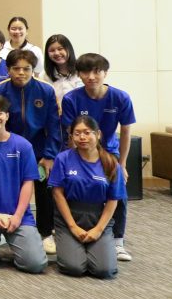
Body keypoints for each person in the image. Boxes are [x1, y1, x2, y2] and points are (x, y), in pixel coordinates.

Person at [60, 53, 136, 262]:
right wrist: (72, 160)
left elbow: (126, 132)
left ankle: (118, 241)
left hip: (109, 153)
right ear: (79, 74)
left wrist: (122, 164)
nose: (91, 77)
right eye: (85, 72)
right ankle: (71, 233)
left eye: (97, 71)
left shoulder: (120, 97)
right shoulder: (71, 98)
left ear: (105, 73)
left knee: (118, 193)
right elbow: (71, 134)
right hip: (80, 150)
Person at [0, 95, 48, 274]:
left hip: (18, 215)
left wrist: (18, 216)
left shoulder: (23, 145)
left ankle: (14, 242)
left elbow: (28, 183)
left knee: (36, 264)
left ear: (7, 116)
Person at [0, 49, 61, 254]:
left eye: (26, 69)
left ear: (33, 70)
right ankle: (4, 228)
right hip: (9, 148)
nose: (21, 73)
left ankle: (46, 233)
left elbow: (54, 126)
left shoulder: (45, 90)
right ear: (8, 70)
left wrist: (49, 156)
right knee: (7, 188)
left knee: (44, 191)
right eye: (16, 69)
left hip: (39, 150)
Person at [50, 116, 125, 278]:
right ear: (71, 137)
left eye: (87, 132)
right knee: (74, 267)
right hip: (69, 217)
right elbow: (57, 193)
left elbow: (113, 199)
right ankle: (70, 245)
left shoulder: (111, 163)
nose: (82, 137)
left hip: (98, 217)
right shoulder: (63, 159)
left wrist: (98, 229)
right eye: (77, 133)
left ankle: (96, 248)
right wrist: (72, 226)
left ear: (98, 134)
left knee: (104, 270)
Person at [45, 34, 83, 102]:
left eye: (60, 49)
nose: (56, 53)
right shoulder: (44, 76)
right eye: (52, 50)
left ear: (69, 49)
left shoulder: (82, 70)